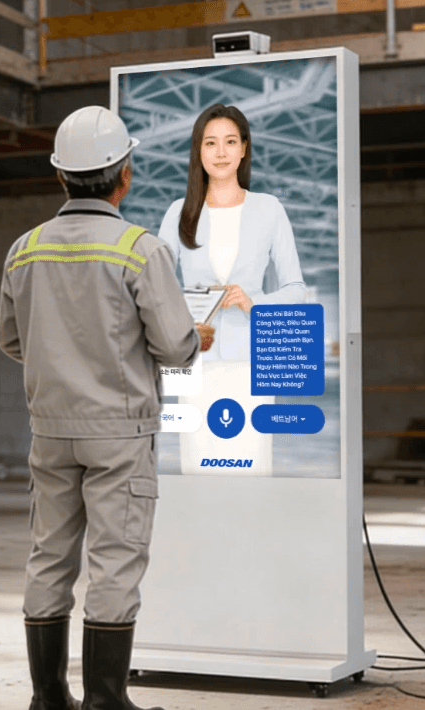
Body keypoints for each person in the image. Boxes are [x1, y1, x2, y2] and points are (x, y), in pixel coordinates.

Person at [0, 105, 215, 710]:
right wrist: (198, 335)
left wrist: (61, 358)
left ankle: (48, 699)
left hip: (50, 431)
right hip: (119, 432)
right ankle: (105, 700)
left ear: (60, 177)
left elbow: (11, 341)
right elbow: (173, 345)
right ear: (125, 174)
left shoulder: (24, 249)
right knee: (114, 563)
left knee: (48, 558)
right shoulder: (138, 249)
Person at [157, 103, 305, 476]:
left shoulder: (268, 209)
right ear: (199, 151)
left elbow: (296, 289)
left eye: (229, 142)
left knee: (251, 467)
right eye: (210, 143)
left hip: (249, 363)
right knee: (198, 466)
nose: (220, 152)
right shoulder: (178, 212)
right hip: (195, 361)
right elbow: (155, 286)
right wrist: (187, 306)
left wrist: (253, 303)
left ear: (244, 148)